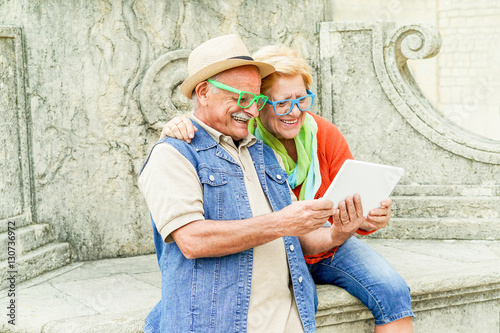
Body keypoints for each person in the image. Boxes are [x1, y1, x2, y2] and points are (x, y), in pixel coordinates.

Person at [162, 45, 415, 332]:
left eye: (302, 100)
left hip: (326, 244)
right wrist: (179, 124)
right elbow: (204, 130)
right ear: (261, 103)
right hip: (274, 246)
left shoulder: (323, 134)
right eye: (282, 103)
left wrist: (367, 216)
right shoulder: (244, 140)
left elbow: (351, 198)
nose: (294, 112)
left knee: (392, 290)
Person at [138, 34, 349, 333]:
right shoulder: (172, 153)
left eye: (257, 99)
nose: (251, 110)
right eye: (241, 98)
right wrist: (281, 222)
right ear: (203, 92)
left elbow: (299, 236)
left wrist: (338, 232)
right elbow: (193, 240)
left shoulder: (261, 152)